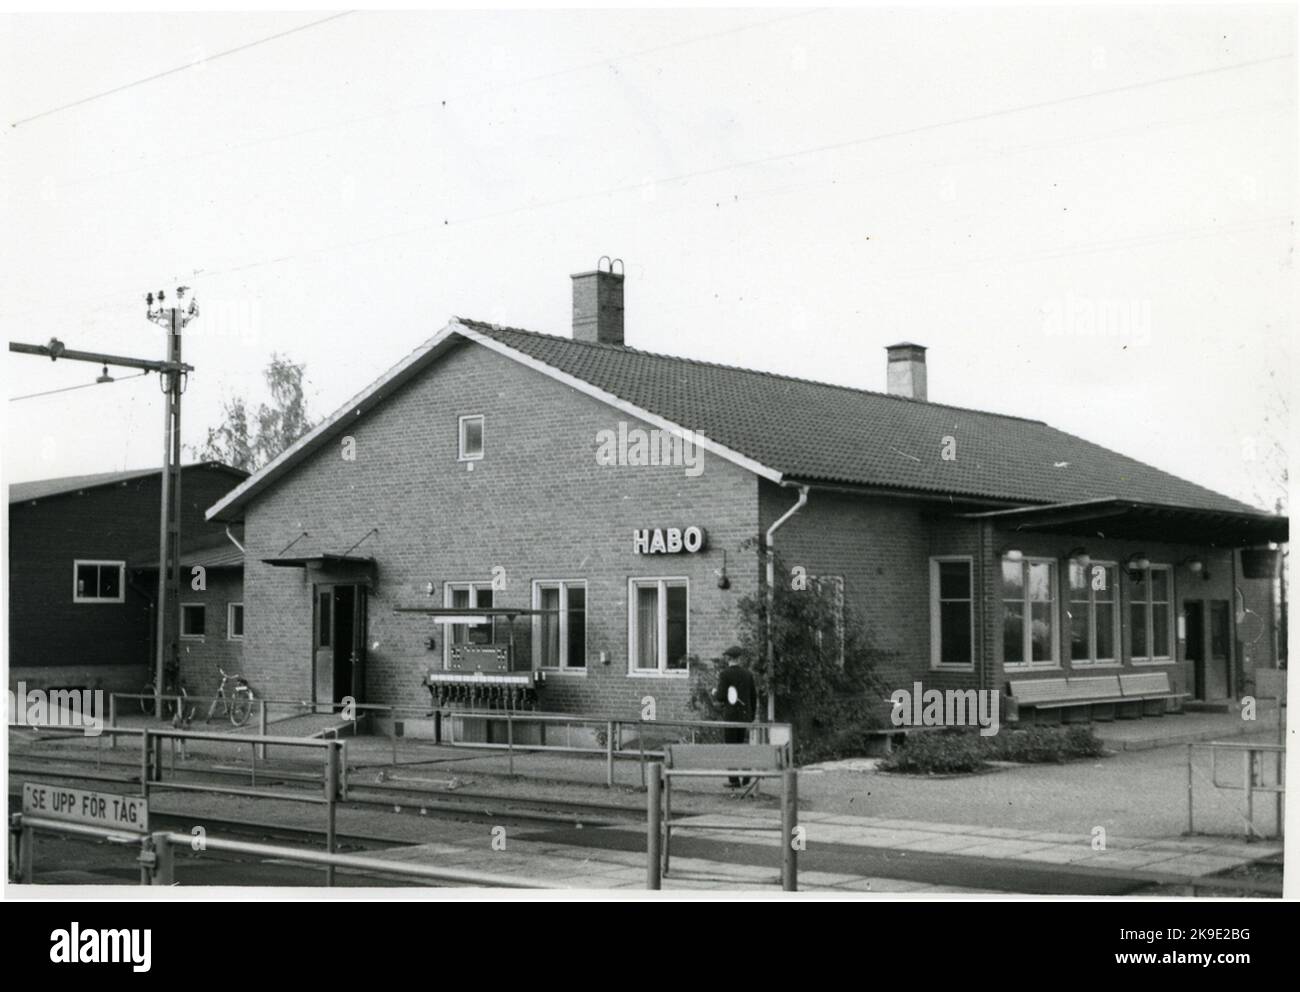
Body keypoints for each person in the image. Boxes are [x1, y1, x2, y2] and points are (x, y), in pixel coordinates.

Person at [713, 649, 756, 787]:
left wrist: (715, 692)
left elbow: (720, 697)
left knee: (731, 747)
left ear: (728, 659)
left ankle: (734, 780)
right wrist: (751, 716)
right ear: (740, 659)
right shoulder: (748, 674)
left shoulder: (725, 674)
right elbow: (753, 697)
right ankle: (746, 775)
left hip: (731, 716)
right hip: (745, 716)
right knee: (742, 745)